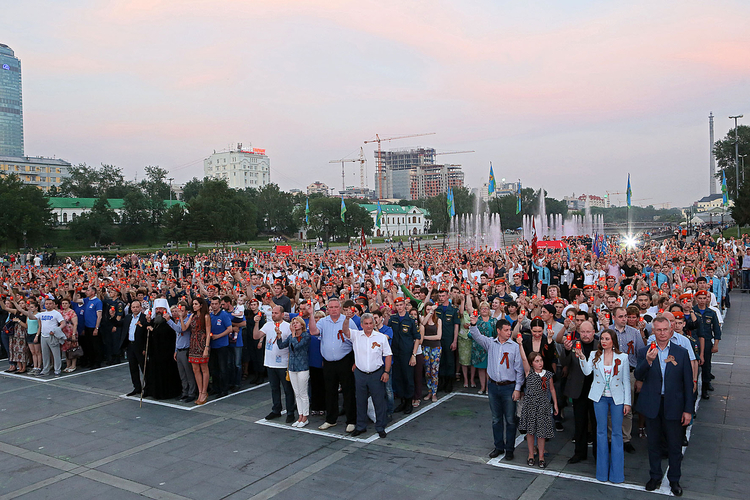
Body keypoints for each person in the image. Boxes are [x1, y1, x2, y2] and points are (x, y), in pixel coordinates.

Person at [636, 316, 694, 496]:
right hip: (653, 404)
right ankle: (655, 476)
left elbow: (687, 384)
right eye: (658, 330)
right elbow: (638, 374)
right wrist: (649, 361)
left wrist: (688, 410)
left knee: (674, 445)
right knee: (653, 443)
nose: (661, 333)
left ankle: (675, 479)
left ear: (671, 331)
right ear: (653, 331)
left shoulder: (681, 352)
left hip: (674, 405)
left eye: (664, 330)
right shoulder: (645, 351)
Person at [577, 329, 631, 484]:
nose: (603, 341)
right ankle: (601, 472)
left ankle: (617, 475)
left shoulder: (623, 357)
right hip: (599, 397)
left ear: (613, 341)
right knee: (600, 433)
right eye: (602, 339)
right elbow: (587, 372)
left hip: (617, 398)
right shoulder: (595, 355)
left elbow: (626, 381)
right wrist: (582, 357)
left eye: (607, 338)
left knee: (617, 434)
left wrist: (627, 402)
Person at [468, 317, 524, 460]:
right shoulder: (491, 344)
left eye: (509, 330)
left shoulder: (514, 347)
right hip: (493, 385)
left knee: (510, 419)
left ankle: (510, 448)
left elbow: (519, 370)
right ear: (498, 331)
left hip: (509, 386)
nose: (508, 332)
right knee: (496, 418)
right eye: (505, 330)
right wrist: (473, 324)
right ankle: (499, 446)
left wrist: (517, 388)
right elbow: (477, 336)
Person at [309, 297, 358, 432]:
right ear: (327, 309)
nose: (333, 309)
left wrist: (355, 362)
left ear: (340, 308)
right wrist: (311, 315)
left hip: (345, 360)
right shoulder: (323, 321)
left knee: (348, 391)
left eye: (336, 307)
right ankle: (331, 419)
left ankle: (351, 420)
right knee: (330, 391)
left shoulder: (348, 321)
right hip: (329, 362)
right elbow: (313, 332)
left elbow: (356, 341)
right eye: (331, 307)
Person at [341, 311, 392, 438]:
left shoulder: (381, 337)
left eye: (371, 323)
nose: (369, 326)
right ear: (362, 325)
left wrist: (386, 372)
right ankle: (360, 426)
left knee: (379, 401)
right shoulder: (356, 335)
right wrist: (347, 319)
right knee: (360, 401)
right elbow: (345, 331)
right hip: (360, 374)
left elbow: (388, 355)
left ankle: (380, 426)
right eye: (366, 324)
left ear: (374, 323)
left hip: (376, 373)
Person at [560, 319, 599, 464]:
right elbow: (564, 363)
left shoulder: (599, 345)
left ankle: (597, 453)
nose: (585, 334)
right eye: (583, 332)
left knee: (596, 424)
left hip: (596, 390)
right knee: (580, 423)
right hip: (578, 390)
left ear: (593, 332)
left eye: (588, 332)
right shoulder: (573, 344)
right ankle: (579, 452)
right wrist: (566, 350)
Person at [516, 340, 558, 468]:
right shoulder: (530, 373)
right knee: (530, 432)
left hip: (543, 405)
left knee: (541, 432)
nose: (540, 363)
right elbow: (523, 358)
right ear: (531, 363)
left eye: (541, 360)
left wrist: (555, 404)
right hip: (530, 405)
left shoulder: (548, 374)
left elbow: (551, 389)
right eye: (537, 361)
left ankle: (540, 456)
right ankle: (530, 454)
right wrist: (520, 345)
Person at [255, 305, 296, 423]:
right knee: (274, 388)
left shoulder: (288, 327)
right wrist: (257, 323)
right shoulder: (268, 325)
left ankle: (290, 412)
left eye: (276, 313)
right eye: (272, 313)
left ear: (282, 314)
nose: (273, 315)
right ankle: (276, 409)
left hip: (283, 363)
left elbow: (291, 343)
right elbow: (256, 336)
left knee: (287, 389)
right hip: (270, 362)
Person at [387, 297, 421, 415]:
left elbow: (417, 338)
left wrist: (413, 355)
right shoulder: (393, 319)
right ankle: (402, 401)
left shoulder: (411, 320)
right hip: (395, 353)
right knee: (398, 378)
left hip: (407, 353)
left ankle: (409, 402)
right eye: (398, 305)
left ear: (405, 306)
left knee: (408, 378)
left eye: (401, 305)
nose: (400, 307)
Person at [143, 298, 182, 400]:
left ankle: (168, 393)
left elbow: (166, 334)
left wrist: (153, 331)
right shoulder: (153, 321)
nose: (159, 311)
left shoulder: (170, 321)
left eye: (161, 309)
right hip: (155, 353)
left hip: (167, 354)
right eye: (157, 309)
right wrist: (148, 324)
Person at [278, 315, 311, 427]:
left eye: (296, 323)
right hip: (292, 367)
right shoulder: (291, 336)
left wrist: (292, 335)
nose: (294, 325)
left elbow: (297, 346)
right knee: (297, 393)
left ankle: (305, 416)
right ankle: (300, 415)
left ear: (302, 325)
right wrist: (279, 336)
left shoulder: (306, 336)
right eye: (293, 323)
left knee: (303, 393)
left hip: (302, 367)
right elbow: (281, 346)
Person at [186, 297, 211, 404]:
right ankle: (200, 391)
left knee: (204, 368)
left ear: (201, 305)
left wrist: (206, 347)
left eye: (196, 304)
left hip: (202, 343)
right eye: (193, 304)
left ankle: (204, 392)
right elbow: (184, 328)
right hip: (193, 343)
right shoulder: (192, 316)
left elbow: (209, 332)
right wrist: (182, 317)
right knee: (196, 369)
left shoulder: (205, 316)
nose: (194, 306)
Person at [122, 300, 147, 397]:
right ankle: (137, 387)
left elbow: (145, 334)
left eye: (137, 307)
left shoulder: (144, 318)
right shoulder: (128, 317)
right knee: (133, 367)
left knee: (144, 367)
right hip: (130, 345)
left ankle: (147, 388)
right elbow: (121, 325)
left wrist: (145, 347)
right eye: (133, 307)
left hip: (140, 346)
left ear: (140, 307)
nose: (135, 309)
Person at [208, 296, 233, 398]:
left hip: (222, 345)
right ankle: (216, 387)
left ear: (219, 304)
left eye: (215, 304)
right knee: (214, 368)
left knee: (223, 368)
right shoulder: (210, 316)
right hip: (213, 345)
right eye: (212, 304)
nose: (214, 306)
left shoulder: (224, 315)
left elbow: (229, 329)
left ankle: (224, 389)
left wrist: (218, 336)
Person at [172, 302, 197, 402]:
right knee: (182, 373)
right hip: (179, 349)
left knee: (189, 372)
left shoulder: (187, 320)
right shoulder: (179, 320)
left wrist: (169, 321)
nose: (180, 313)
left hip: (186, 349)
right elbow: (177, 336)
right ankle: (184, 391)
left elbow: (181, 329)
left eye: (182, 311)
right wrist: (175, 350)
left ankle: (191, 392)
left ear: (186, 311)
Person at [420, 303, 442, 402]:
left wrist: (424, 337)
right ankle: (429, 391)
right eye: (427, 309)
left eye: (431, 309)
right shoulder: (422, 318)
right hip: (426, 347)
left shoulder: (438, 320)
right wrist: (429, 313)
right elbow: (423, 323)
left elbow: (438, 336)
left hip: (435, 347)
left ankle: (434, 393)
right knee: (427, 371)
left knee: (434, 370)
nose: (430, 311)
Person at [60, 298, 80, 373]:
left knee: (72, 348)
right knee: (66, 349)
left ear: (69, 304)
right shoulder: (61, 312)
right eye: (63, 303)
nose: (64, 305)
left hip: (71, 331)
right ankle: (68, 365)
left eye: (66, 303)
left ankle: (73, 365)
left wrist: (74, 334)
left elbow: (75, 323)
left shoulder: (72, 312)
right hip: (64, 332)